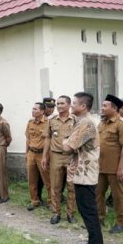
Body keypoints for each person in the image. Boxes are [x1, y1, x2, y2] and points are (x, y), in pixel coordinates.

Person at [63, 92, 105, 244]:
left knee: (89, 212)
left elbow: (67, 147)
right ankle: (91, 242)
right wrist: (67, 141)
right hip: (82, 172)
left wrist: (65, 140)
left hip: (86, 174)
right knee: (85, 210)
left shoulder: (86, 123)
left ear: (83, 106)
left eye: (74, 103)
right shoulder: (81, 121)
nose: (71, 106)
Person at [96, 95, 123, 233]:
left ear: (114, 108)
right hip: (101, 167)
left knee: (119, 196)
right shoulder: (102, 124)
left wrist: (121, 168)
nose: (102, 108)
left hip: (116, 168)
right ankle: (99, 219)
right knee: (98, 193)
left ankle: (122, 223)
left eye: (105, 106)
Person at [42, 95, 77, 224]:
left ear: (69, 105)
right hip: (55, 156)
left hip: (71, 156)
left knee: (71, 186)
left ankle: (70, 213)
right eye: (58, 103)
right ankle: (56, 212)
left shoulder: (75, 120)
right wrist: (45, 156)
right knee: (55, 186)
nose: (59, 106)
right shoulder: (52, 120)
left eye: (62, 103)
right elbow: (48, 138)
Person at [25, 102, 50, 211]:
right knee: (32, 179)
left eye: (35, 109)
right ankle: (34, 200)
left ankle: (51, 201)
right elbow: (27, 139)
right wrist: (26, 154)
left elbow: (48, 141)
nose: (33, 111)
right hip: (31, 153)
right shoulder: (30, 122)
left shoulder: (48, 123)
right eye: (32, 109)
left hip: (42, 155)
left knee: (47, 180)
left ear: (42, 111)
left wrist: (46, 156)